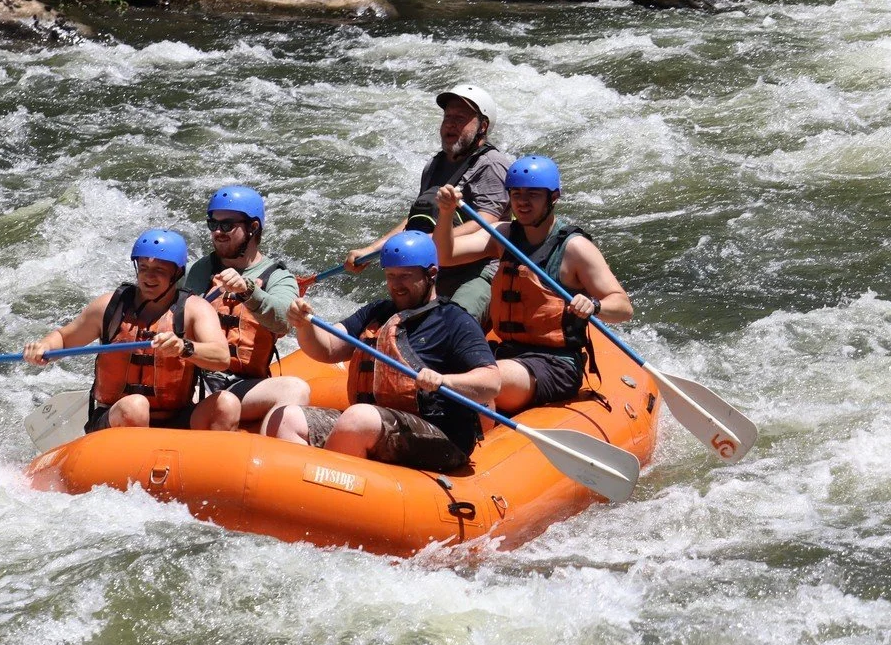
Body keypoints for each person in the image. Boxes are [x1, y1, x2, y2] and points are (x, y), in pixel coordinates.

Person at [267, 231, 500, 472]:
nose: (396, 286)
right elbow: (327, 348)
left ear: (431, 273)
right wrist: (304, 326)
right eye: (390, 276)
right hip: (378, 422)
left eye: (405, 276)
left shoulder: (453, 320)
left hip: (440, 434)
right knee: (287, 419)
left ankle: (329, 485)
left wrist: (444, 381)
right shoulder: (377, 312)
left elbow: (492, 381)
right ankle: (303, 488)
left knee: (358, 419)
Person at [433, 155, 633, 413]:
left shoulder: (575, 249)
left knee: (484, 379)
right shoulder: (503, 235)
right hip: (506, 352)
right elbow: (444, 255)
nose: (523, 202)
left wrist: (594, 305)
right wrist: (447, 213)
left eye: (533, 194)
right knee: (442, 361)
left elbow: (623, 307)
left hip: (555, 364)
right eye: (516, 194)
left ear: (553, 197)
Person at [23, 229, 230, 432]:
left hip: (176, 417)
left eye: (159, 270)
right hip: (120, 416)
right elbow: (63, 338)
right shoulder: (110, 306)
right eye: (143, 268)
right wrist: (44, 347)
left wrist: (184, 347)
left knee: (226, 404)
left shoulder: (195, 309)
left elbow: (221, 357)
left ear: (176, 273)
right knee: (135, 407)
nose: (148, 277)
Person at [345, 84, 514, 321]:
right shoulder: (435, 165)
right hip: (436, 269)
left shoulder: (491, 165)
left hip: (479, 270)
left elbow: (485, 222)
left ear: (482, 126)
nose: (450, 124)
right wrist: (372, 249)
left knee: (451, 325)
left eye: (460, 119)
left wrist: (430, 242)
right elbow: (415, 220)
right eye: (447, 117)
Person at [184, 185, 311, 431]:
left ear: (253, 227)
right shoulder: (199, 270)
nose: (218, 232)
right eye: (213, 224)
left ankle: (265, 447)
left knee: (296, 389)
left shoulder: (278, 276)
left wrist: (248, 291)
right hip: (196, 380)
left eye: (227, 225)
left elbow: (283, 322)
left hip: (244, 385)